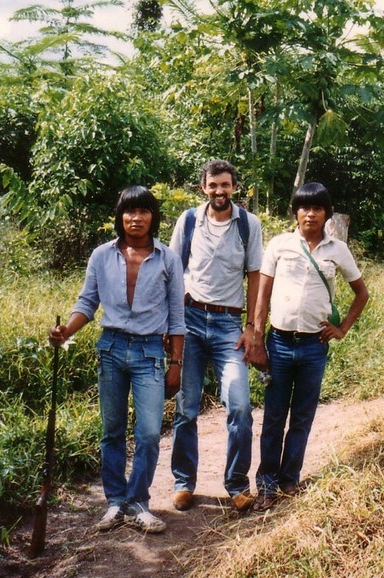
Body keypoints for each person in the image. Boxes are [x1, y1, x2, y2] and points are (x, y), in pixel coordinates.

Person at [49, 186, 185, 534]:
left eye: (143, 211)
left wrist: (176, 364)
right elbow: (87, 304)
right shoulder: (101, 255)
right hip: (110, 349)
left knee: (150, 432)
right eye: (129, 212)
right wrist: (67, 331)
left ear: (153, 217)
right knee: (112, 431)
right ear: (119, 216)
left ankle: (138, 502)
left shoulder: (167, 258)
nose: (135, 218)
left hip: (150, 353)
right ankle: (114, 503)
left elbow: (177, 317)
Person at [250, 182, 369, 510]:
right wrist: (257, 337)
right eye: (305, 207)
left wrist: (342, 329)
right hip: (278, 343)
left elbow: (361, 293)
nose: (310, 214)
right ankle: (266, 484)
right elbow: (262, 294)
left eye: (317, 208)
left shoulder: (337, 250)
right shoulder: (280, 245)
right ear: (296, 212)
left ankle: (290, 480)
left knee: (302, 416)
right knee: (274, 415)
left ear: (327, 214)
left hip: (314, 347)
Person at [168, 159, 263, 513]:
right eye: (213, 185)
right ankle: (183, 483)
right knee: (186, 408)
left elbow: (256, 276)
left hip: (229, 327)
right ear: (203, 188)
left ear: (234, 187)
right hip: (190, 320)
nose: (219, 191)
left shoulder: (249, 225)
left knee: (240, 406)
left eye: (225, 185)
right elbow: (173, 271)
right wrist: (172, 326)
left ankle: (237, 484)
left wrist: (254, 328)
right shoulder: (189, 220)